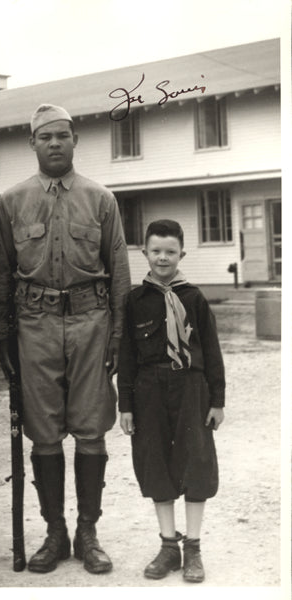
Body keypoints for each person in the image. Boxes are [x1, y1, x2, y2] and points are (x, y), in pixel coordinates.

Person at [0, 103, 131, 575]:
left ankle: (87, 532)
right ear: (32, 143)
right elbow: (1, 275)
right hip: (35, 325)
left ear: (75, 141)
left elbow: (119, 272)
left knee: (92, 426)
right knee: (44, 429)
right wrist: (4, 339)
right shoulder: (12, 202)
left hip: (92, 321)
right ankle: (55, 532)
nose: (55, 144)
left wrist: (117, 335)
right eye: (45, 137)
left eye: (63, 136)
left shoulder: (100, 198)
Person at [117, 219, 225, 583]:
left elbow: (211, 350)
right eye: (156, 251)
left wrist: (218, 400)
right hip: (149, 390)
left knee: (196, 461)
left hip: (192, 389)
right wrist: (126, 405)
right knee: (155, 461)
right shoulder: (134, 301)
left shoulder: (193, 297)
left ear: (182, 254)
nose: (163, 258)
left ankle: (193, 547)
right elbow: (127, 357)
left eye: (171, 252)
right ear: (144, 253)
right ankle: (168, 546)